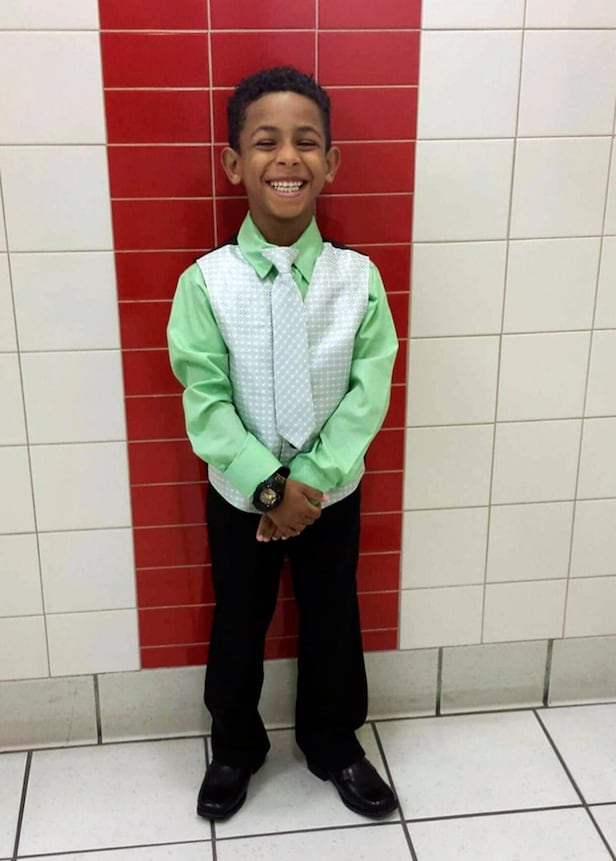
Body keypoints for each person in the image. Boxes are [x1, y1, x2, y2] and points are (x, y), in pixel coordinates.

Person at [167, 66, 399, 822]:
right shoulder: (205, 283)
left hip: (330, 491)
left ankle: (334, 740)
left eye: (307, 142)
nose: (288, 157)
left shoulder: (359, 279)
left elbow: (368, 392)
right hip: (244, 495)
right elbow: (205, 402)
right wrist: (271, 488)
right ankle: (235, 745)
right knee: (239, 619)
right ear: (235, 163)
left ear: (331, 162)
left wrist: (312, 483)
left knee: (334, 615)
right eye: (266, 142)